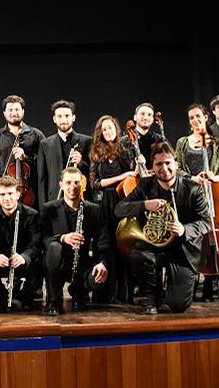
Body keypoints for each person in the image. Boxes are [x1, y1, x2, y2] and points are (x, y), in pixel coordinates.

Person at [115, 142, 211, 314]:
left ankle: (172, 291)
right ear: (152, 167)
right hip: (154, 246)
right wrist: (145, 204)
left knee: (178, 305)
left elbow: (206, 222)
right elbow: (119, 209)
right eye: (159, 164)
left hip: (182, 250)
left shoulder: (192, 189)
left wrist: (184, 230)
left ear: (176, 164)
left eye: (168, 163)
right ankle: (152, 298)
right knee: (138, 254)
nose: (164, 168)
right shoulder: (145, 185)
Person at [174, 103, 219, 301]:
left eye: (198, 116)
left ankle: (213, 280)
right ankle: (192, 279)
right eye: (192, 118)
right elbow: (177, 169)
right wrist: (192, 178)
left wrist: (216, 177)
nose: (195, 121)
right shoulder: (182, 142)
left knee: (212, 236)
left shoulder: (217, 141)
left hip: (212, 195)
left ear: (206, 117)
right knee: (193, 238)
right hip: (189, 196)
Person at [40, 168, 109, 316]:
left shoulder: (94, 210)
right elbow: (43, 239)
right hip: (59, 262)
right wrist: (63, 238)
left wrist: (102, 262)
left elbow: (103, 241)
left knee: (99, 277)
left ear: (82, 185)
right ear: (61, 185)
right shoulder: (49, 209)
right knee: (53, 246)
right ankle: (53, 300)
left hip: (83, 263)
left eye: (77, 183)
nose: (73, 187)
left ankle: (80, 292)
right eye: (68, 183)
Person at [89, 115, 137, 303]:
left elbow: (134, 175)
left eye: (110, 128)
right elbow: (95, 183)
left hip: (122, 200)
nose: (108, 132)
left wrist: (138, 163)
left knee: (124, 245)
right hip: (104, 203)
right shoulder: (95, 152)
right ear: (100, 132)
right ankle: (105, 292)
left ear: (117, 130)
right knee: (106, 245)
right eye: (104, 129)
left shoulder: (126, 150)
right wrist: (122, 175)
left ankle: (125, 294)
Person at [0, 176, 41, 312]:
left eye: (10, 193)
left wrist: (24, 257)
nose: (7, 198)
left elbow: (35, 244)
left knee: (39, 261)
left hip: (22, 259)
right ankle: (2, 298)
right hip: (4, 259)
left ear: (18, 194)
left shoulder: (31, 214)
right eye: (2, 194)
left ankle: (24, 296)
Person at [0, 95, 45, 207]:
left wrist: (25, 158)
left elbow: (45, 163)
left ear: (23, 111)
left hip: (30, 191)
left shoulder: (36, 135)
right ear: (4, 113)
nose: (14, 113)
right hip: (3, 192)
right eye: (10, 110)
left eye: (17, 109)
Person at [37, 100, 91, 205]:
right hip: (54, 199)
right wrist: (43, 207)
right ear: (54, 119)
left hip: (80, 197)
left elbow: (94, 173)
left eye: (67, 116)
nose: (63, 120)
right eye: (60, 116)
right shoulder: (45, 144)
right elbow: (42, 179)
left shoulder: (87, 142)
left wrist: (82, 163)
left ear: (73, 117)